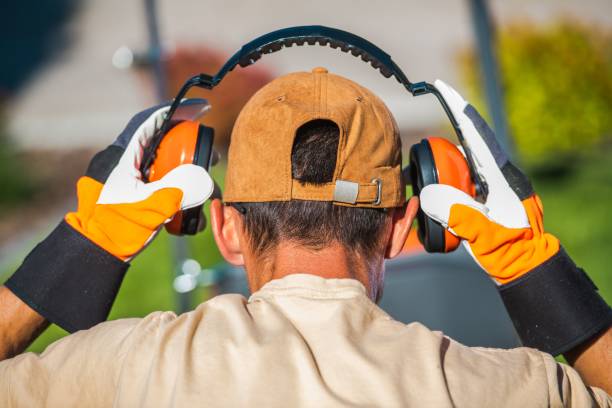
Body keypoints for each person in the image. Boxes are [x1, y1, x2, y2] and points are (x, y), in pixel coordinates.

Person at [0, 68, 610, 407]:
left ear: (224, 229)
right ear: (403, 228)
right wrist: (531, 266)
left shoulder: (125, 372)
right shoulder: (491, 389)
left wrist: (83, 249)